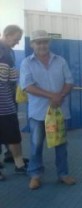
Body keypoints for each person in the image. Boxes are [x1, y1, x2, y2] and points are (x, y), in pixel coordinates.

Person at [20, 30, 76, 190]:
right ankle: (35, 175)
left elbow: (69, 81)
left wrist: (61, 95)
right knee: (36, 144)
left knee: (61, 144)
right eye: (38, 42)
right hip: (38, 113)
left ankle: (63, 174)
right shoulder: (26, 63)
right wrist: (53, 96)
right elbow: (27, 86)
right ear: (32, 44)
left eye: (45, 42)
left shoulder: (60, 61)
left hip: (59, 111)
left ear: (49, 43)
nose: (42, 45)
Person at [0, 24, 27, 181]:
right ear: (7, 35)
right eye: (16, 39)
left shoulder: (9, 54)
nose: (17, 43)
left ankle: (19, 164)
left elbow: (9, 80)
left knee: (14, 136)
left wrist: (14, 76)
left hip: (8, 105)